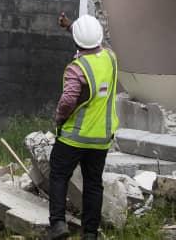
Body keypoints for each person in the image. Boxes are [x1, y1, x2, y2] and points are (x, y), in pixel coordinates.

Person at [47, 14, 119, 240]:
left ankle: (58, 224)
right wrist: (72, 27)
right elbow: (95, 44)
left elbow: (68, 100)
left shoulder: (76, 68)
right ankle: (90, 233)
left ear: (77, 42)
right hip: (101, 138)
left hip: (73, 138)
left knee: (58, 176)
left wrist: (59, 118)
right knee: (93, 184)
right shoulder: (111, 58)